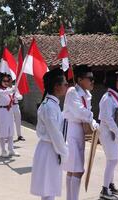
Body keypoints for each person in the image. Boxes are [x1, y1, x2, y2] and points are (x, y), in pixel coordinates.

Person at [30, 68, 69, 200]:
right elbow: (55, 134)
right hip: (49, 149)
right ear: (56, 86)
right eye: (65, 84)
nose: (67, 86)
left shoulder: (53, 105)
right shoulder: (49, 107)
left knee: (50, 188)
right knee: (48, 190)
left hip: (52, 149)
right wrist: (65, 152)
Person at [63, 65, 99, 200]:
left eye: (93, 78)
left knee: (73, 169)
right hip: (72, 130)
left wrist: (93, 123)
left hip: (80, 130)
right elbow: (80, 112)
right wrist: (93, 121)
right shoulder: (72, 91)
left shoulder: (86, 94)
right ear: (79, 79)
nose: (92, 81)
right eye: (89, 78)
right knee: (76, 170)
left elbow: (86, 115)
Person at [98, 70, 118, 199]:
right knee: (112, 160)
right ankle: (104, 189)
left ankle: (110, 185)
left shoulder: (117, 96)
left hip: (116, 132)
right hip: (107, 133)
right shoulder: (107, 97)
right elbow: (107, 118)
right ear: (112, 82)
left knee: (114, 159)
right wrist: (117, 132)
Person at [0, 73, 19, 158]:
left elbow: (17, 97)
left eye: (7, 81)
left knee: (10, 131)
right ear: (0, 81)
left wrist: (16, 95)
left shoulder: (9, 90)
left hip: (9, 111)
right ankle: (3, 150)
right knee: (2, 131)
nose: (6, 82)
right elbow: (0, 93)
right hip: (1, 111)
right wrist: (11, 91)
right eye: (4, 81)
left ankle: (11, 149)